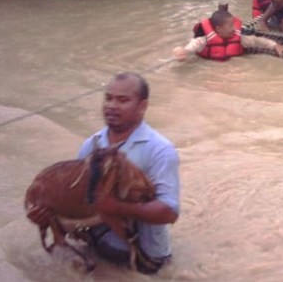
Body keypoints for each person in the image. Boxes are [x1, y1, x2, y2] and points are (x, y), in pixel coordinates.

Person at [26, 73, 179, 274]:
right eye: (108, 98)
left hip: (143, 259)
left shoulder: (160, 150)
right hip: (95, 247)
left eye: (122, 100)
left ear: (142, 106)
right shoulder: (92, 145)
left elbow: (169, 212)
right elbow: (79, 200)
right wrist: (46, 217)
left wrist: (115, 207)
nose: (112, 105)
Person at [173, 9, 283, 61]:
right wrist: (183, 51)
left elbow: (257, 41)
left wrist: (275, 45)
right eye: (230, 26)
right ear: (218, 29)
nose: (235, 29)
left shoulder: (239, 39)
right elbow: (192, 47)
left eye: (234, 25)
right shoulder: (204, 41)